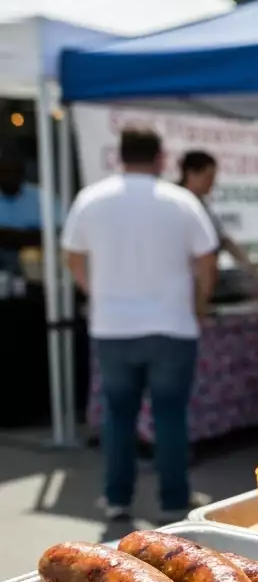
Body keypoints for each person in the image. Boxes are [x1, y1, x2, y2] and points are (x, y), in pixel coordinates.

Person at [62, 127, 219, 521]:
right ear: (160, 157)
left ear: (120, 155)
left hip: (113, 326)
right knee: (169, 415)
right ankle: (173, 501)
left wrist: (94, 291)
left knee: (118, 415)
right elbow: (207, 259)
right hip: (171, 325)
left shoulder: (91, 198)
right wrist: (200, 303)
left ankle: (117, 498)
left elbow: (72, 254)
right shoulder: (180, 201)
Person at [179, 150, 258, 277]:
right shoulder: (175, 205)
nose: (212, 183)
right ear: (191, 174)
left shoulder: (202, 205)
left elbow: (223, 239)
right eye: (208, 177)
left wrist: (249, 266)